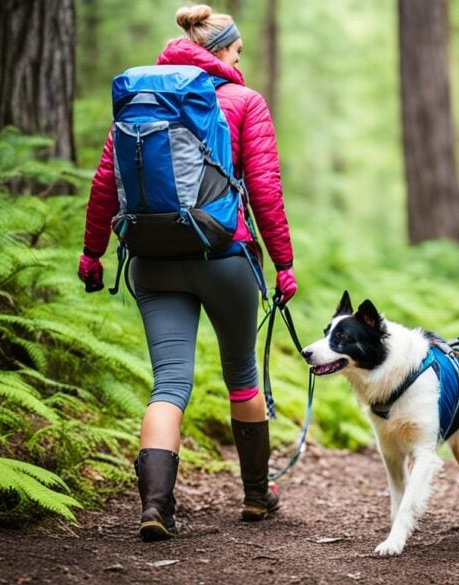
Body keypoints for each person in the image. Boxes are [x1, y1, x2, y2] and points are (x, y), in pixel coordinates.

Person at [78, 4, 298, 541]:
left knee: (168, 384)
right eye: (237, 51)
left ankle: (156, 506)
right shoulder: (245, 102)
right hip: (226, 256)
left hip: (152, 261)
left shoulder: (140, 99)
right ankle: (254, 496)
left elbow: (106, 182)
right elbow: (265, 189)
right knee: (242, 376)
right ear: (222, 50)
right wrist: (285, 263)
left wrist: (93, 253)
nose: (240, 60)